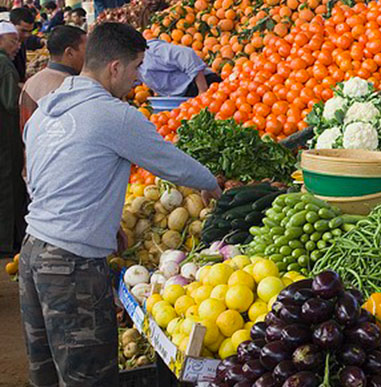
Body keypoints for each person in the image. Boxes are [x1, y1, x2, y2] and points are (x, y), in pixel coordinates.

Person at [19, 22, 220, 386]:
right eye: (136, 67)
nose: (139, 79)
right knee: (89, 378)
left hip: (34, 251)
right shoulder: (115, 116)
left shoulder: (46, 111)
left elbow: (43, 178)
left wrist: (106, 221)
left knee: (45, 373)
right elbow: (171, 162)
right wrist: (212, 186)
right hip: (72, 265)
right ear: (115, 67)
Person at [19, 25, 87, 127]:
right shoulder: (69, 87)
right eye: (87, 49)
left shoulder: (31, 82)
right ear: (70, 53)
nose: (90, 55)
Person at [0, 21, 26, 257]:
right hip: (6, 136)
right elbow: (10, 103)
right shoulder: (5, 65)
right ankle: (7, 243)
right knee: (8, 186)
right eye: (13, 40)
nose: (18, 45)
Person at [140, 38, 221, 97]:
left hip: (200, 84)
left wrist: (202, 90)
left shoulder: (152, 50)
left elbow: (187, 54)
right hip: (182, 96)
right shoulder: (132, 65)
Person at [10, 7, 41, 81]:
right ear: (11, 25)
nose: (27, 35)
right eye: (23, 31)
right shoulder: (5, 47)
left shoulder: (21, 42)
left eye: (30, 31)